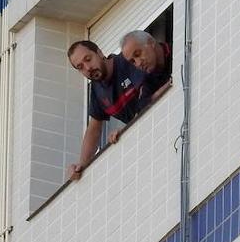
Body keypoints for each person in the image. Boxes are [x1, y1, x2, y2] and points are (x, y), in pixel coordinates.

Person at [66, 40, 147, 181]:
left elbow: (149, 91)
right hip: (143, 138)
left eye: (88, 59)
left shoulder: (126, 61)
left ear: (99, 52)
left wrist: (126, 129)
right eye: (80, 67)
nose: (87, 68)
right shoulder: (97, 91)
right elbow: (94, 129)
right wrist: (81, 166)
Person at [119, 30, 172, 108]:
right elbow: (142, 107)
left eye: (138, 54)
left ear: (151, 42)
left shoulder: (179, 49)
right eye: (133, 61)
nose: (138, 63)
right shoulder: (148, 79)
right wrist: (169, 85)